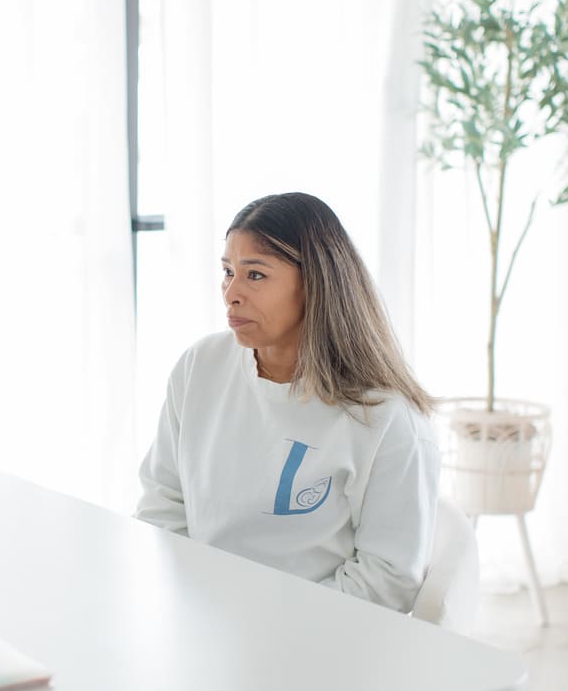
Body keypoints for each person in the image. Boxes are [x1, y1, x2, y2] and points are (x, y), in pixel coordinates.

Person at [136, 192, 439, 613]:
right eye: (227, 271)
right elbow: (162, 502)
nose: (231, 293)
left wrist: (266, 621)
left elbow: (389, 578)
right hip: (200, 619)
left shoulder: (386, 418)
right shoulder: (199, 367)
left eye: (255, 275)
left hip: (317, 641)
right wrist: (199, 604)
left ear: (316, 283)